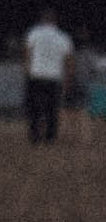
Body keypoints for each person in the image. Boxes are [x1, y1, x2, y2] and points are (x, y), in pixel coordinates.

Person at [23, 12, 73, 146]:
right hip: (54, 77)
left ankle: (35, 135)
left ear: (42, 20)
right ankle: (50, 137)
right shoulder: (63, 37)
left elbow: (27, 54)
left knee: (35, 107)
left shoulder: (34, 33)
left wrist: (27, 71)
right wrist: (68, 79)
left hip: (36, 75)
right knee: (52, 108)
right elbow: (69, 60)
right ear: (55, 21)